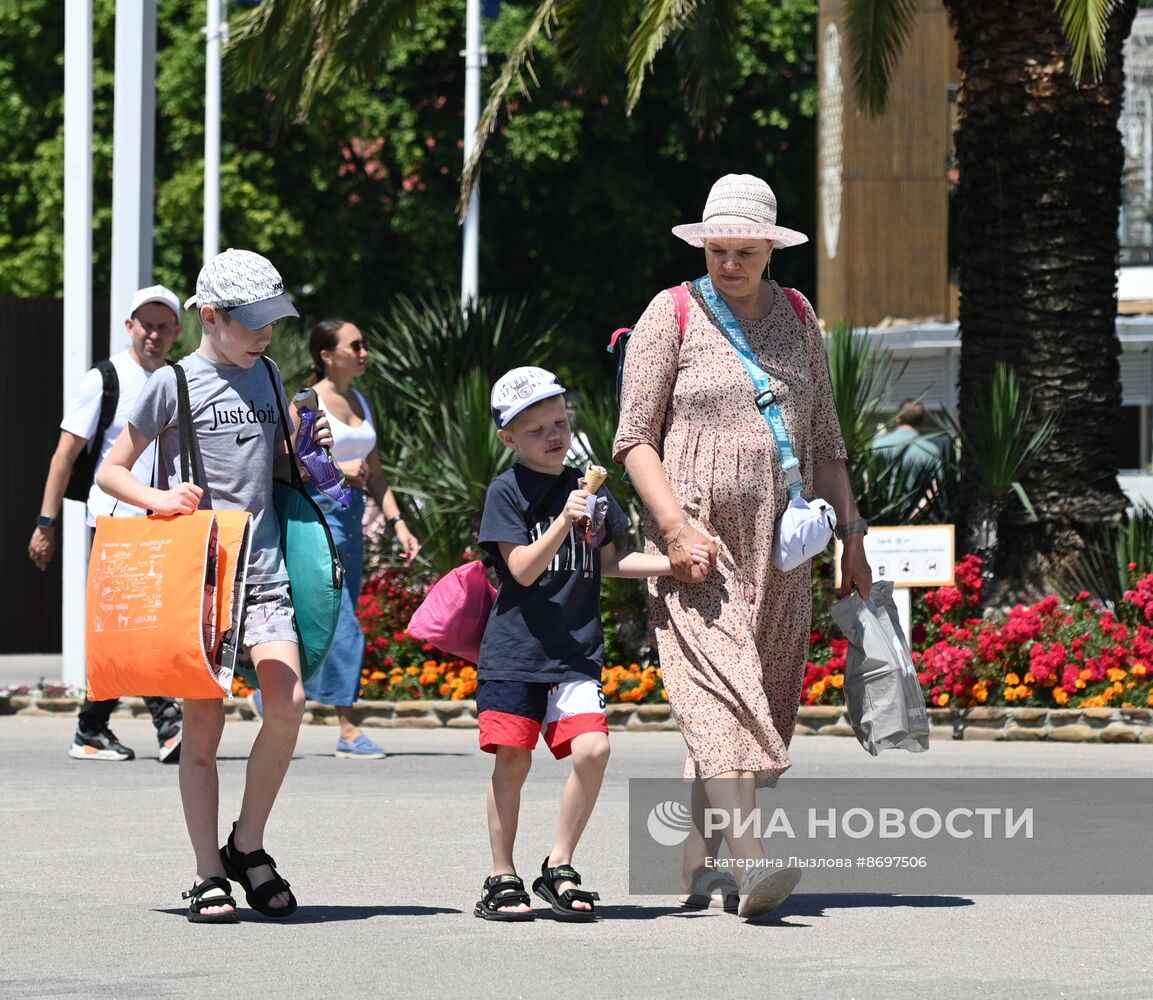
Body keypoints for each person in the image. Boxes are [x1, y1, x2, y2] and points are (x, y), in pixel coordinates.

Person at [612, 174, 873, 919]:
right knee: (720, 690)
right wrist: (673, 529)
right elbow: (633, 438)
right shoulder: (672, 313)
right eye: (718, 249)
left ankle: (694, 869)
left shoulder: (796, 314)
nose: (729, 263)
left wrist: (852, 538)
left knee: (759, 698)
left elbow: (825, 438)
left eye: (745, 252)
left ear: (770, 250)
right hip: (696, 539)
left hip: (784, 544)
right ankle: (753, 864)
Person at [96, 248, 330, 923]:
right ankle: (207, 872)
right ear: (211, 316)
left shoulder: (270, 375)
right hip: (201, 579)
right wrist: (161, 497)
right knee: (202, 727)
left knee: (287, 701)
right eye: (253, 322)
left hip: (265, 572)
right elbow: (114, 472)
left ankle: (246, 843)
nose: (267, 334)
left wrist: (308, 457)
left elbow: (280, 472)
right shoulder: (174, 381)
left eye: (272, 322)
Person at [472, 366, 709, 922]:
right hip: (514, 654)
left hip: (577, 653)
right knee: (512, 762)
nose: (554, 435)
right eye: (536, 430)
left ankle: (559, 864)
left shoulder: (589, 488)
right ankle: (501, 876)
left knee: (595, 750)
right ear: (509, 439)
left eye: (560, 421)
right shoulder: (506, 492)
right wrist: (562, 519)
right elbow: (522, 572)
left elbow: (608, 560)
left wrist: (675, 564)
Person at [28, 285, 186, 764]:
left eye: (163, 326)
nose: (154, 334)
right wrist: (44, 523)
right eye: (146, 324)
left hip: (166, 521)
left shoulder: (180, 379)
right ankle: (169, 723)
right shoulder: (106, 378)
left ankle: (92, 729)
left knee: (133, 628)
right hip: (115, 521)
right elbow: (64, 455)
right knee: (137, 627)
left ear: (177, 332)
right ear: (130, 326)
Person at [296, 319, 420, 760]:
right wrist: (339, 471)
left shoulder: (360, 399)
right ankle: (349, 730)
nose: (365, 351)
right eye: (356, 345)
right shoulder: (308, 401)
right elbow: (293, 462)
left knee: (328, 620)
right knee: (344, 621)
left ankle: (271, 693)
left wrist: (398, 523)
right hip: (319, 514)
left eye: (365, 344)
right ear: (327, 354)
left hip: (352, 517)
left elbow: (378, 472)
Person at [873, 401, 944, 505]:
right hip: (918, 518)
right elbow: (935, 489)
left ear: (898, 419)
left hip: (879, 518)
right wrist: (915, 514)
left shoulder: (876, 445)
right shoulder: (931, 450)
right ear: (921, 422)